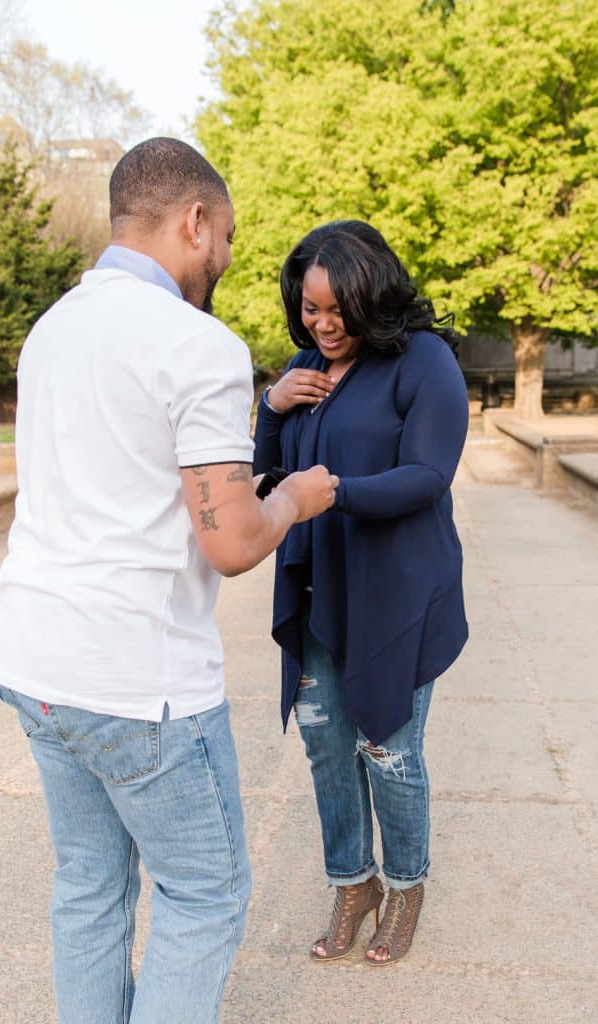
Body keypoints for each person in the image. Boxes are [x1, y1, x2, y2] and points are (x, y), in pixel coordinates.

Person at [0, 138, 338, 1024]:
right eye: (226, 239)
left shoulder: (51, 328)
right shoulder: (197, 343)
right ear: (194, 221)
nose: (224, 259)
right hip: (138, 681)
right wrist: (292, 498)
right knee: (204, 897)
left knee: (88, 887)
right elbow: (232, 544)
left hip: (33, 660)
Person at [253, 220, 469, 966]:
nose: (323, 324)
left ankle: (406, 885)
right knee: (325, 744)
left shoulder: (422, 360)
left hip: (395, 592)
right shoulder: (304, 369)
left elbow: (428, 474)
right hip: (319, 586)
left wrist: (336, 491)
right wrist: (272, 406)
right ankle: (353, 881)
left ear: (371, 294)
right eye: (310, 308)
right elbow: (266, 478)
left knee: (388, 747)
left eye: (336, 309)